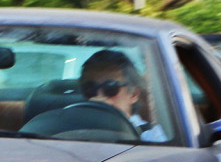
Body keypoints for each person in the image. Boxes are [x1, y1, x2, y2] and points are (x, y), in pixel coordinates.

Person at [20, 49, 167, 142]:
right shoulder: (65, 126)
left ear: (133, 94)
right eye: (90, 88)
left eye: (111, 88)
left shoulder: (151, 135)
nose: (99, 95)